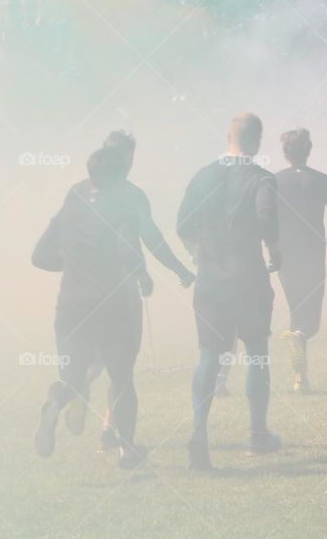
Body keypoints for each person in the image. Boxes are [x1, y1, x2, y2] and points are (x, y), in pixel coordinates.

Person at [68, 131, 195, 449]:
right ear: (126, 158)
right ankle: (120, 440)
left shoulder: (81, 191)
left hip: (84, 290)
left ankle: (96, 408)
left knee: (97, 358)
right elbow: (151, 239)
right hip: (120, 292)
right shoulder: (132, 195)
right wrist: (179, 269)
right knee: (121, 367)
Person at [32, 147, 152, 469]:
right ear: (118, 178)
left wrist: (73, 263)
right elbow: (128, 252)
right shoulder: (122, 208)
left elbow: (40, 255)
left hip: (71, 306)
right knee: (122, 377)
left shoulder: (73, 201)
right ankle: (126, 451)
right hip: (112, 306)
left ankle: (55, 405)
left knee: (72, 377)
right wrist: (141, 275)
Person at [177, 113, 282, 470]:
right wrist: (276, 250)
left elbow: (182, 223)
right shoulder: (262, 179)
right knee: (256, 353)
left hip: (211, 281)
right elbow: (267, 219)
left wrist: (196, 251)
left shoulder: (203, 175)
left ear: (228, 137)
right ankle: (257, 435)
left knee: (209, 356)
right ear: (257, 142)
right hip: (249, 280)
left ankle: (198, 434)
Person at [273, 128, 327, 393]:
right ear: (309, 150)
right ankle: (300, 341)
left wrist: (271, 248)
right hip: (312, 252)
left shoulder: (274, 180)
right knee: (311, 317)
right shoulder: (322, 180)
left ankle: (300, 378)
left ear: (285, 153)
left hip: (285, 255)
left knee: (296, 310)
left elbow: (265, 217)